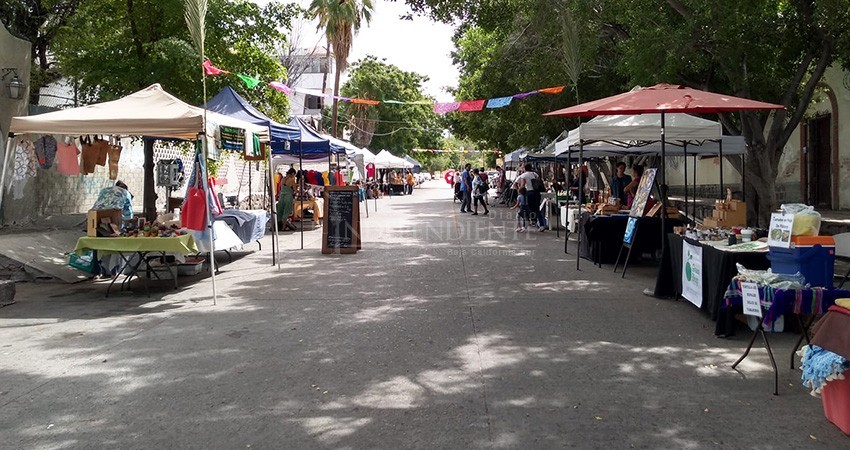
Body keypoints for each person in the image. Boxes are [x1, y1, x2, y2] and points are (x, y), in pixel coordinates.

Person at [515, 163, 545, 231]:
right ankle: (541, 225)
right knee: (537, 209)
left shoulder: (523, 175)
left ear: (524, 169)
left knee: (526, 209)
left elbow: (522, 186)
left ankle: (524, 226)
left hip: (528, 193)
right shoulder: (535, 174)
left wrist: (519, 192)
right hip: (537, 193)